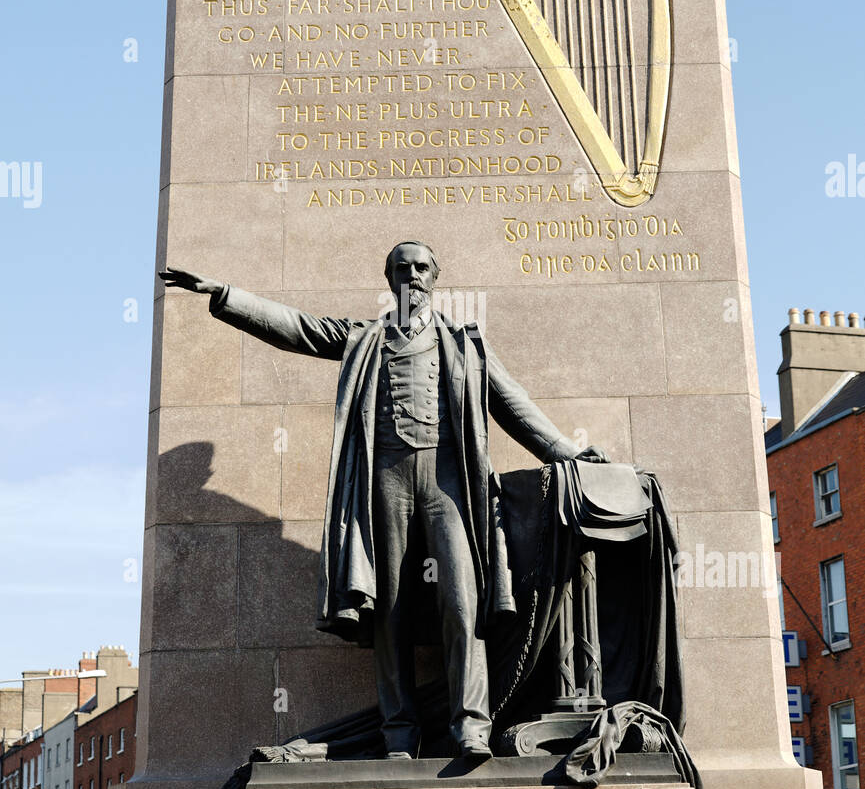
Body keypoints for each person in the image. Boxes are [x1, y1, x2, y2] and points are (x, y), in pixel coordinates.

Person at [161, 242, 588, 759]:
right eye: (402, 268)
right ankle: (399, 734)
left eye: (422, 267)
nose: (412, 275)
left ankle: (471, 725)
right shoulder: (366, 339)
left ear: (436, 276)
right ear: (388, 279)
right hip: (384, 481)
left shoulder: (464, 343)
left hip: (448, 484)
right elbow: (298, 328)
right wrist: (225, 294)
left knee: (461, 602)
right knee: (391, 609)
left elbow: (514, 405)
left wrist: (569, 452)